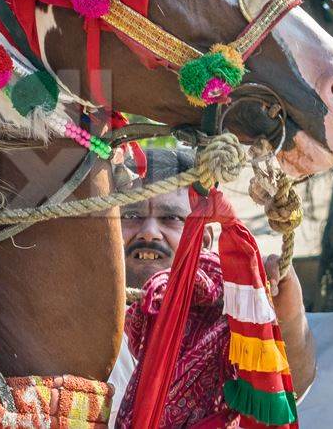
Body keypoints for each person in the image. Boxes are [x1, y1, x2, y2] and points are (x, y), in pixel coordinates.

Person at [108, 147, 317, 427]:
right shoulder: (84, 308)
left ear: (204, 239)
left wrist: (289, 316)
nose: (148, 231)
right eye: (131, 217)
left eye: (170, 218)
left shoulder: (233, 311)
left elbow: (289, 389)